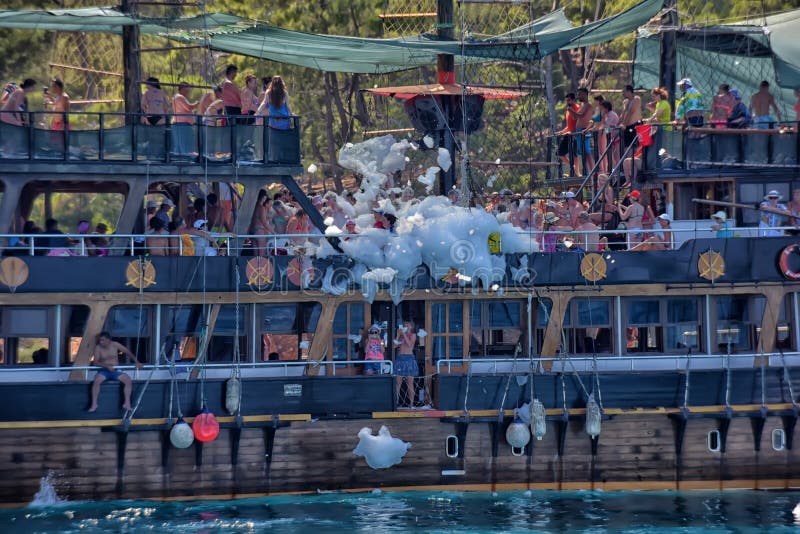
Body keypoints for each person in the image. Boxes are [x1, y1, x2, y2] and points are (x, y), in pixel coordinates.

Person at [88, 332, 143, 412]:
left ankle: (127, 403)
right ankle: (94, 404)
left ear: (108, 340)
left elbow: (128, 352)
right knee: (96, 381)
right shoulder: (98, 348)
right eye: (100, 340)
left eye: (103, 340)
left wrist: (137, 362)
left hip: (116, 371)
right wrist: (107, 366)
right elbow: (95, 362)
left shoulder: (115, 344)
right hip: (104, 371)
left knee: (128, 380)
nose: (101, 342)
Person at [567, 88, 595, 173]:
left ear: (585, 94)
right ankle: (587, 171)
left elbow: (581, 115)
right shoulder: (583, 105)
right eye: (578, 95)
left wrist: (572, 111)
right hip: (579, 131)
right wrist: (570, 110)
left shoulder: (588, 105)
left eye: (580, 94)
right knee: (582, 152)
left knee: (587, 152)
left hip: (584, 130)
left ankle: (593, 171)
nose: (578, 96)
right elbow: (575, 117)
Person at [394, 320, 418, 407]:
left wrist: (403, 334)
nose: (405, 327)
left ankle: (411, 403)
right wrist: (398, 335)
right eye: (404, 325)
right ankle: (396, 402)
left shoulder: (413, 335)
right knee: (398, 383)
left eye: (407, 325)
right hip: (400, 359)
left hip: (409, 359)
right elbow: (394, 346)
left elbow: (409, 344)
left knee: (410, 383)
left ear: (411, 327)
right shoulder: (400, 336)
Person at [172, 82, 198, 155]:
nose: (188, 91)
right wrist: (196, 104)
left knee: (182, 145)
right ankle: (184, 158)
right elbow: (189, 107)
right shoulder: (179, 97)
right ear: (183, 88)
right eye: (187, 88)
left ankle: (181, 158)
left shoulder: (179, 97)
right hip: (182, 124)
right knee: (183, 145)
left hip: (183, 124)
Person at [556, 92, 579, 174]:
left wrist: (571, 131)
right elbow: (569, 125)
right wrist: (562, 132)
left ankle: (577, 172)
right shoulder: (568, 110)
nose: (567, 102)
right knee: (560, 153)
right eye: (567, 100)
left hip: (574, 134)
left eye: (569, 100)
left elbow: (577, 121)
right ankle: (573, 167)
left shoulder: (577, 108)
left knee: (574, 154)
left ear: (573, 100)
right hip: (568, 135)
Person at [250, 189, 274, 256]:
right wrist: (274, 233)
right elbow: (264, 223)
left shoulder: (253, 207)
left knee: (255, 255)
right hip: (259, 231)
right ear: (263, 197)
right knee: (262, 254)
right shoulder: (261, 207)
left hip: (252, 231)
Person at [619, 84, 643, 149]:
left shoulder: (636, 99)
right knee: (626, 146)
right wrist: (618, 123)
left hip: (635, 125)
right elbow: (623, 113)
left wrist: (624, 124)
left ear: (629, 91)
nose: (623, 94)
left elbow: (630, 112)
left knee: (635, 146)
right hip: (627, 127)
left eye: (624, 92)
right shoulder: (625, 102)